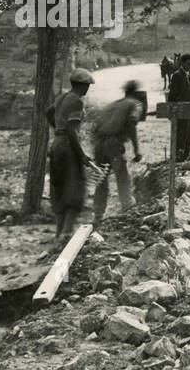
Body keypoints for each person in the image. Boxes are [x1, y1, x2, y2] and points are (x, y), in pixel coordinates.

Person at [46, 68, 97, 242]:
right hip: (68, 147)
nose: (88, 89)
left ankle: (58, 234)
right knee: (74, 190)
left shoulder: (62, 98)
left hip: (57, 145)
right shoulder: (76, 101)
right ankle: (66, 235)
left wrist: (57, 130)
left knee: (59, 189)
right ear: (83, 86)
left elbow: (48, 113)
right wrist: (81, 155)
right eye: (87, 86)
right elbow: (72, 130)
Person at [91, 80, 144, 229]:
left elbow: (95, 125)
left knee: (101, 179)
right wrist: (136, 149)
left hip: (99, 144)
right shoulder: (135, 104)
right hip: (113, 144)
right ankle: (127, 209)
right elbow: (132, 123)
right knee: (123, 177)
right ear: (137, 92)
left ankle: (97, 216)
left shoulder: (112, 105)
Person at [167, 53, 190, 162]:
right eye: (188, 64)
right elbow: (172, 95)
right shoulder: (177, 75)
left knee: (187, 135)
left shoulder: (188, 75)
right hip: (180, 111)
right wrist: (171, 111)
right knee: (180, 135)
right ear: (182, 63)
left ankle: (184, 157)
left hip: (187, 110)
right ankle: (178, 158)